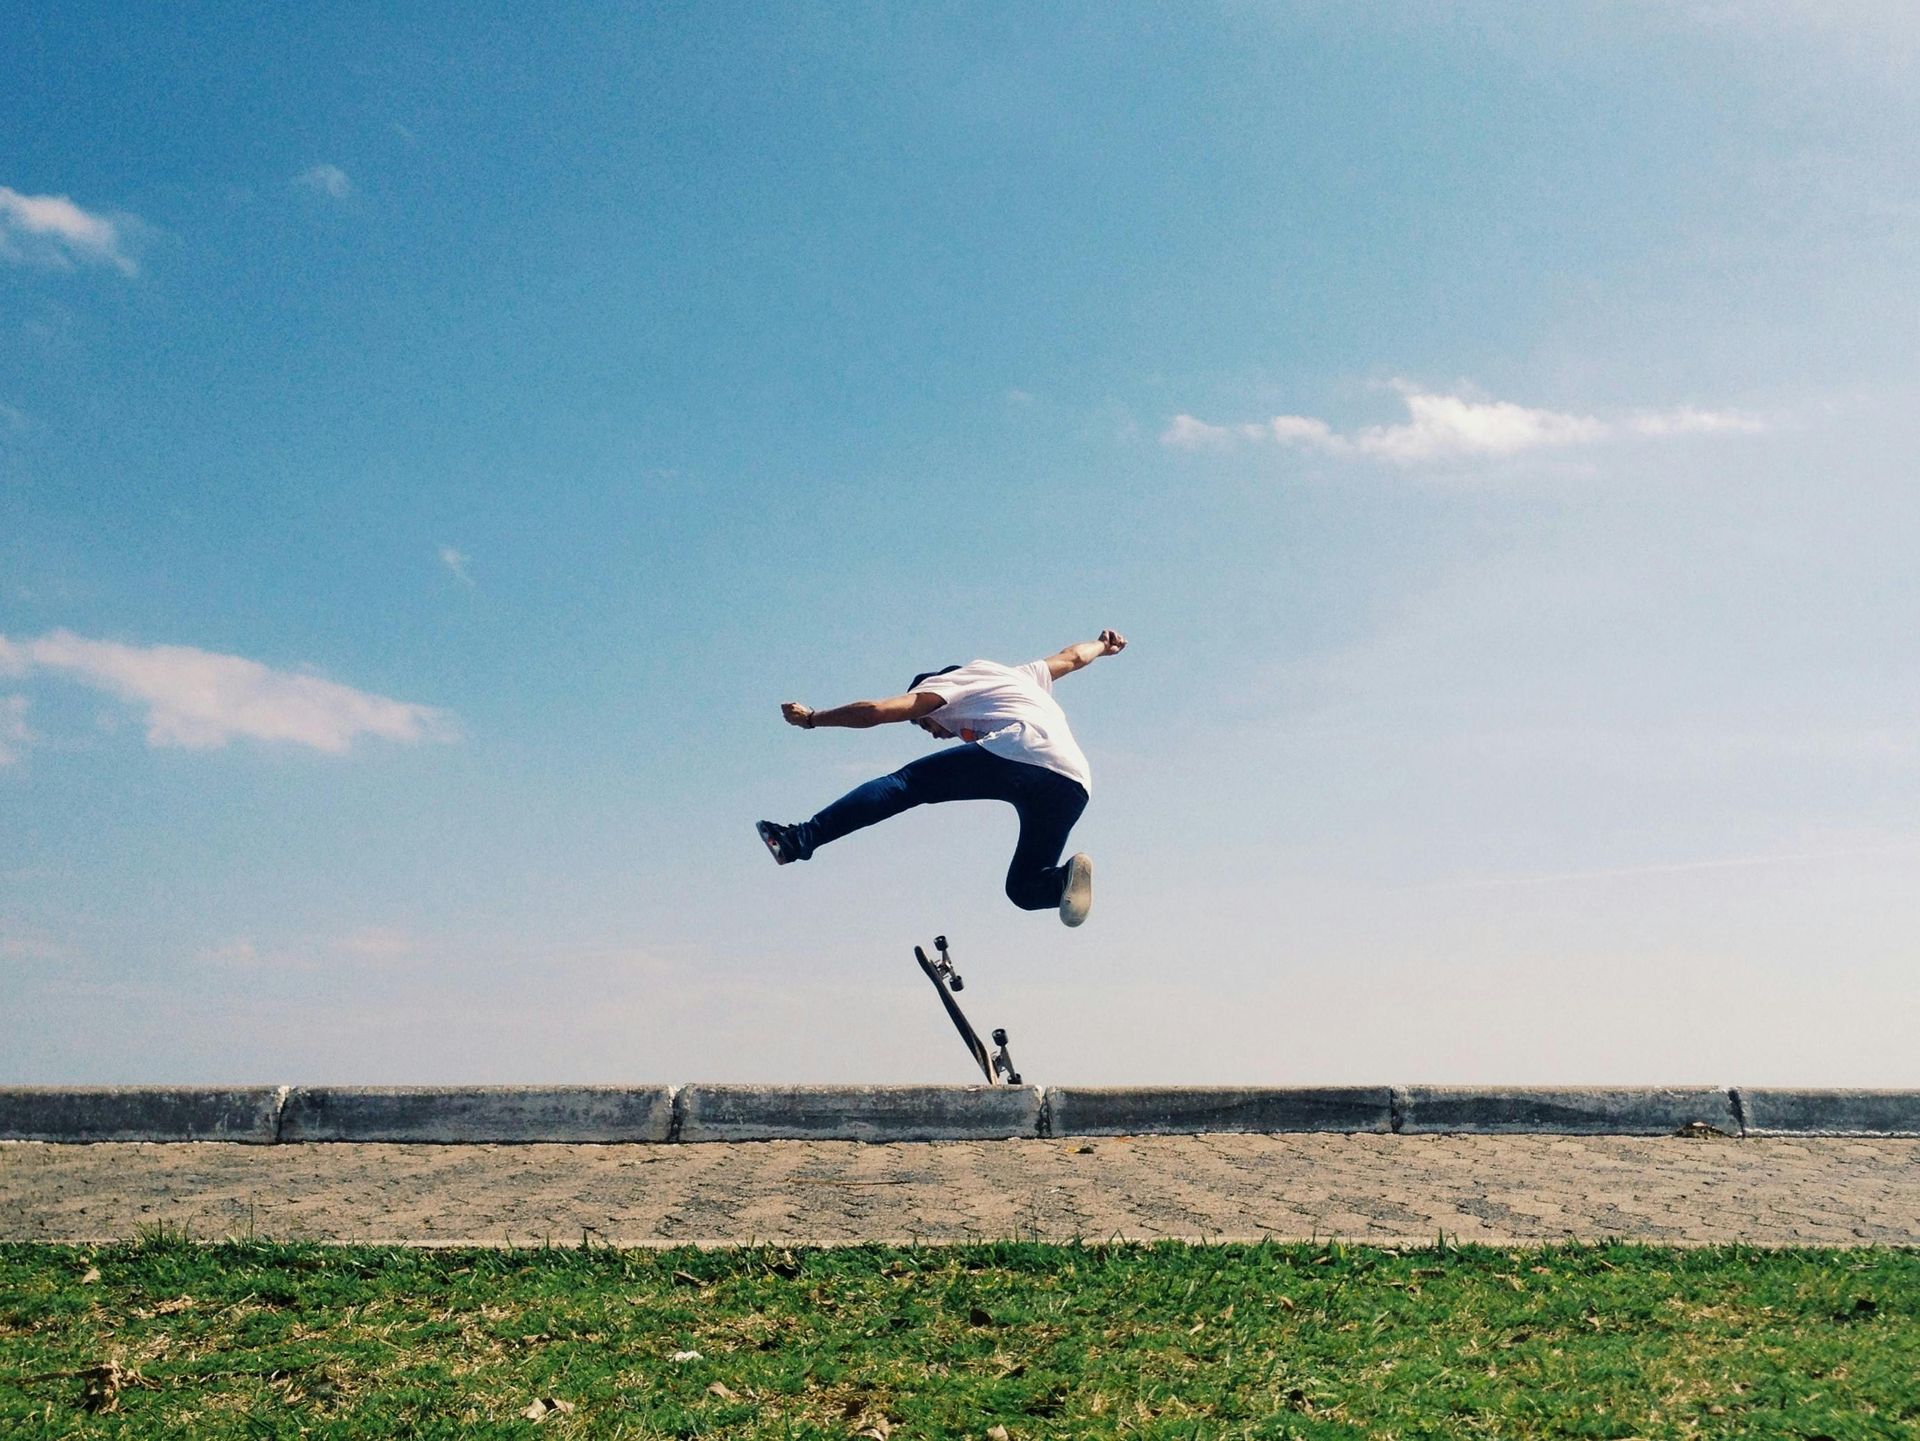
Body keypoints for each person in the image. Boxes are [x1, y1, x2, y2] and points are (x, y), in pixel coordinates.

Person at [757, 630, 1127, 926]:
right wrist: (1102, 645)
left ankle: (798, 839)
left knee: (906, 785)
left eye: (924, 722)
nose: (933, 732)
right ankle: (1063, 880)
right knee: (1024, 889)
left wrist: (812, 718)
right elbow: (1072, 658)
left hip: (1023, 751)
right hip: (1074, 783)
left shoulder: (949, 685)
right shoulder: (1017, 676)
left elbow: (876, 712)